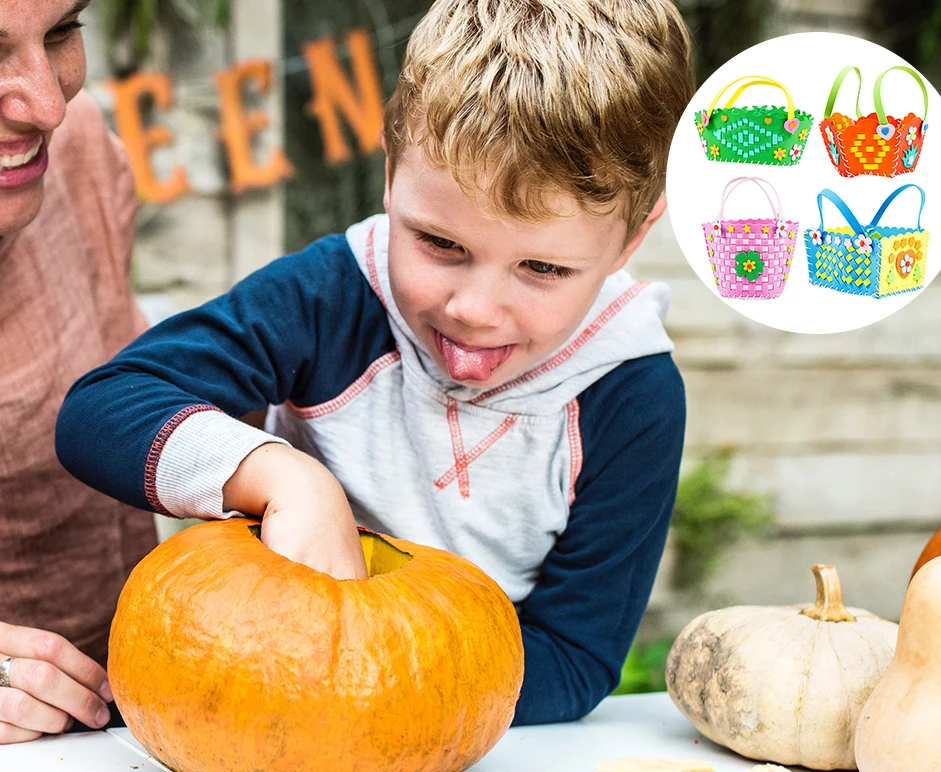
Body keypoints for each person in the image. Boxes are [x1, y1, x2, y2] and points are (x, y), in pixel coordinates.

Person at [56, 0, 692, 725]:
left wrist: (369, 695)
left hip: (452, 747)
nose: (475, 309)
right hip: (259, 693)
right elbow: (100, 411)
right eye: (440, 244)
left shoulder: (633, 394)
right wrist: (289, 481)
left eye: (542, 268)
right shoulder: (331, 297)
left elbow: (574, 659)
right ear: (391, 175)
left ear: (631, 239)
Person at [0, 0, 156, 743]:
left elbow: (129, 372)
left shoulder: (78, 148)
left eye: (62, 33)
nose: (50, 105)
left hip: (137, 740)